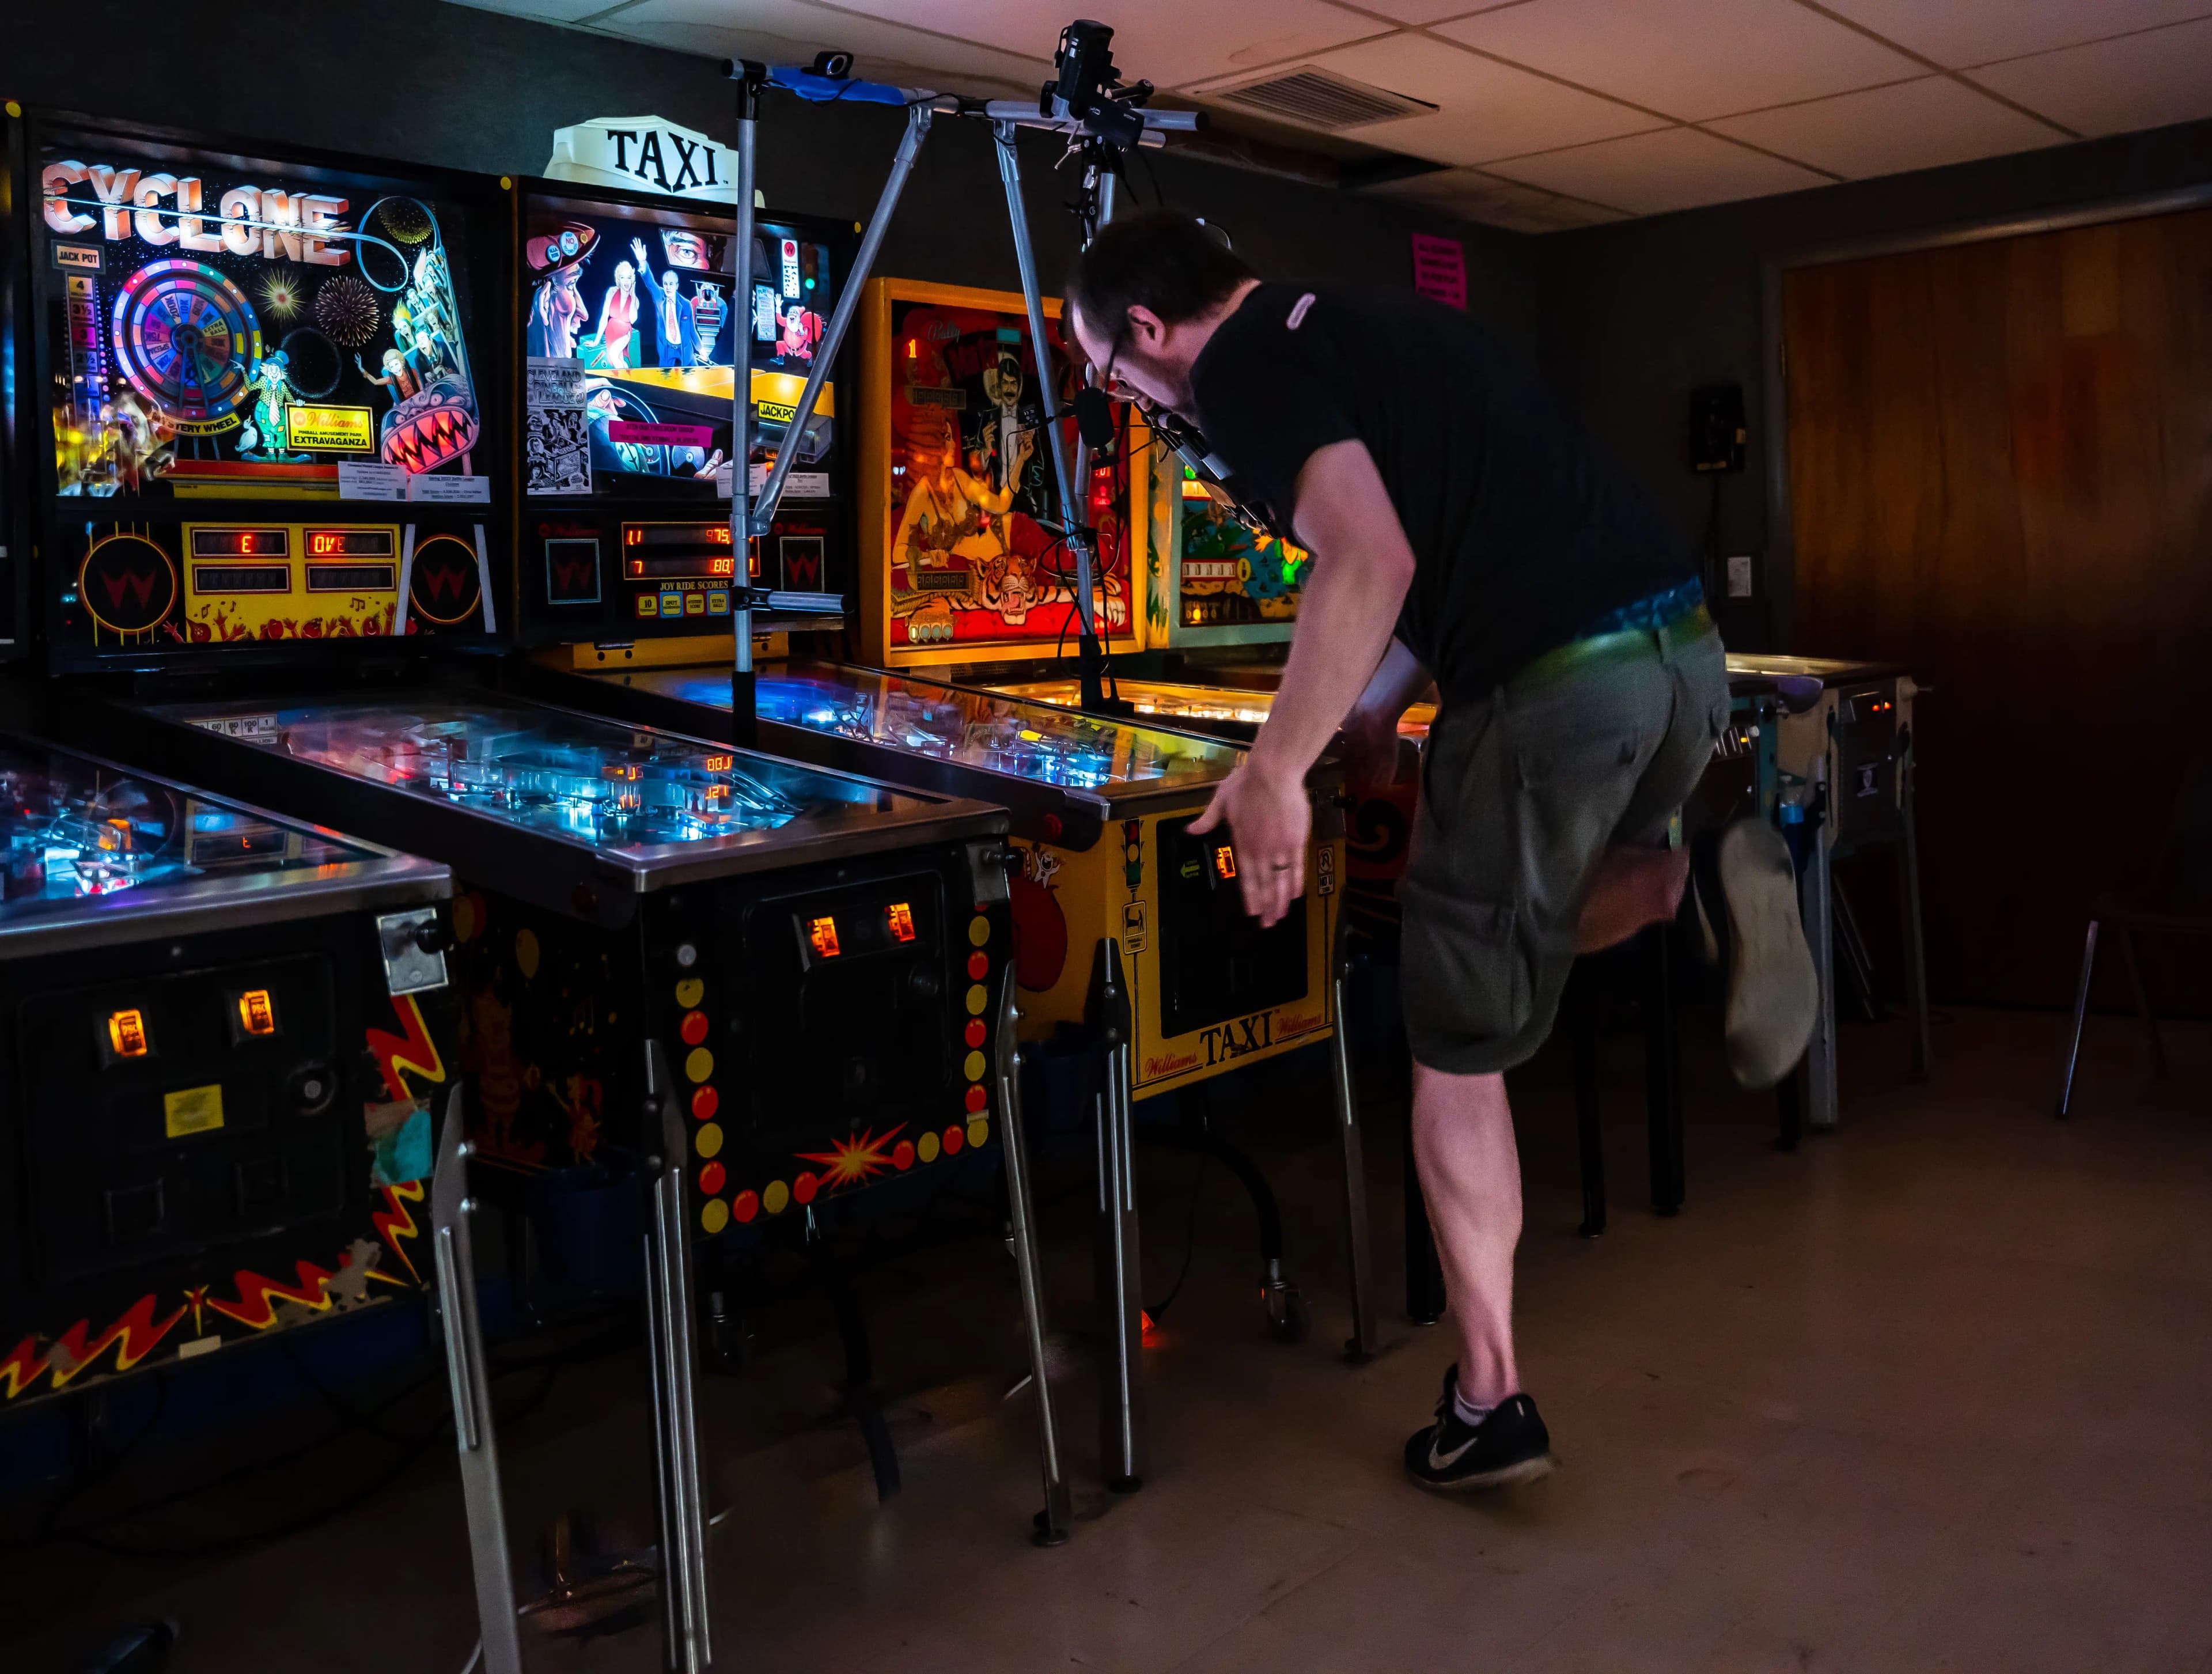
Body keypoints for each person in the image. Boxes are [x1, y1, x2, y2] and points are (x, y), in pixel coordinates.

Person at [1065, 212, 1814, 1493]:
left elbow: (1367, 556)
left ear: (1146, 328)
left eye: (1109, 371)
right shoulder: (1366, 323)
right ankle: (1685, 881)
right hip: (1680, 663)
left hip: (1550, 693)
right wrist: (1368, 712)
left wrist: (1275, 772)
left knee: (1452, 1035)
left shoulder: (1242, 368)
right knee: (1525, 929)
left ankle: (1489, 1396)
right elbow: (1443, 553)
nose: (1123, 395)